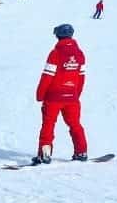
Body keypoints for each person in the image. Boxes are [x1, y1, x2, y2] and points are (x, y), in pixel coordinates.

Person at [33, 23, 87, 164]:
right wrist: (75, 94)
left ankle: (45, 154)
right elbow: (81, 78)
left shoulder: (55, 53)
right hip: (72, 98)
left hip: (53, 98)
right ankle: (81, 151)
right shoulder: (80, 54)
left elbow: (47, 77)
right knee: (75, 124)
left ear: (57, 36)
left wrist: (40, 95)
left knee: (48, 124)